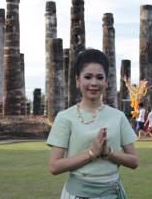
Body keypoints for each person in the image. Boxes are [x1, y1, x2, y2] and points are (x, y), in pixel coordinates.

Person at [47, 48, 139, 199]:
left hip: (112, 193)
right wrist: (91, 154)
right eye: (88, 77)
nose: (94, 83)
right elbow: (54, 166)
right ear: (78, 81)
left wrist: (109, 153)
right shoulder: (65, 117)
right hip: (78, 194)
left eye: (99, 77)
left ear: (106, 82)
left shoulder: (118, 116)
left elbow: (134, 161)